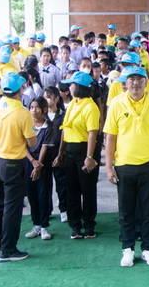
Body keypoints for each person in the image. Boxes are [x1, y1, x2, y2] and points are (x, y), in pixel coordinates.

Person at [104, 66, 149, 267]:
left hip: (148, 164)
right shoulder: (117, 104)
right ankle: (128, 249)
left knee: (147, 209)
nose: (135, 83)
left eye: (139, 79)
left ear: (145, 82)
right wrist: (109, 167)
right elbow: (110, 138)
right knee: (126, 210)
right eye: (131, 79)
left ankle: (148, 249)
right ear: (126, 82)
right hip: (124, 165)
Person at [0, 73, 37, 262]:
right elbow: (32, 143)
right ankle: (7, 250)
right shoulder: (23, 113)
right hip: (14, 164)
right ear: (20, 90)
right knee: (12, 207)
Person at [54, 72, 100, 239]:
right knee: (72, 190)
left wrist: (89, 157)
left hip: (85, 150)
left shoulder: (90, 107)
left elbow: (92, 133)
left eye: (72, 84)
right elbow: (65, 129)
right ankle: (75, 225)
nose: (69, 87)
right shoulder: (73, 103)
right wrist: (61, 152)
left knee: (87, 189)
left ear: (79, 87)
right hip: (70, 151)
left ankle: (89, 225)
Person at [24, 97, 57, 241]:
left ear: (44, 110)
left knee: (43, 194)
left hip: (43, 164)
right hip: (28, 162)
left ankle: (44, 226)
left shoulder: (49, 126)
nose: (33, 110)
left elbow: (44, 147)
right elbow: (23, 145)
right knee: (31, 194)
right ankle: (36, 225)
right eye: (31, 107)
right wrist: (32, 161)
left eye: (36, 107)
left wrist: (38, 165)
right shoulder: (27, 124)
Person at [44, 86, 68, 222]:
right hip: (44, 154)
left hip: (59, 153)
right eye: (44, 97)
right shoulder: (42, 116)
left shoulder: (63, 116)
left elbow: (65, 135)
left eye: (48, 97)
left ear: (56, 99)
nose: (46, 100)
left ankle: (63, 209)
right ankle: (46, 210)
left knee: (61, 184)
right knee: (45, 184)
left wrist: (61, 154)